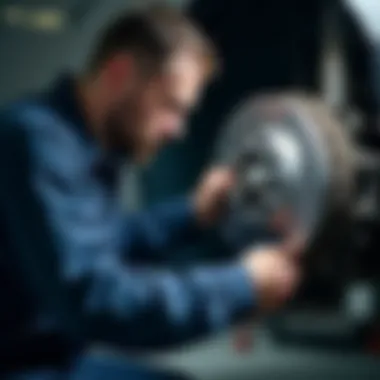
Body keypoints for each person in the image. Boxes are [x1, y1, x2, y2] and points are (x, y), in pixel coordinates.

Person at [0, 5, 303, 380]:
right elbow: (97, 299)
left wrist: (193, 213)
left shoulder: (84, 144)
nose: (178, 131)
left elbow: (106, 243)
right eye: (171, 107)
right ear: (119, 73)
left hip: (50, 355)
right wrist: (240, 285)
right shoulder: (36, 141)